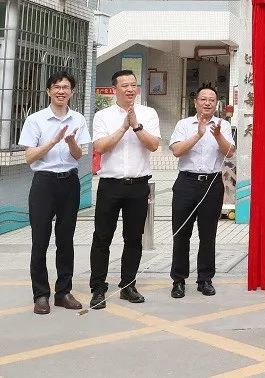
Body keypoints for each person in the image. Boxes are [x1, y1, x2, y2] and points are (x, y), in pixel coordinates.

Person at [19, 72, 91, 314]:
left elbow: (78, 155)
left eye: (66, 87)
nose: (61, 91)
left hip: (69, 182)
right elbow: (29, 157)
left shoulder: (78, 119)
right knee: (40, 241)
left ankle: (63, 292)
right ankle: (40, 295)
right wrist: (52, 141)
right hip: (44, 184)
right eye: (57, 87)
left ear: (72, 92)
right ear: (49, 91)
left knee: (65, 240)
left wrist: (70, 141)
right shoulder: (36, 120)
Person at [89, 69, 161, 309]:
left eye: (133, 85)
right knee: (102, 238)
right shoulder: (103, 116)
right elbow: (100, 147)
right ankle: (98, 288)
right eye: (125, 85)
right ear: (114, 89)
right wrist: (123, 127)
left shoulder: (148, 113)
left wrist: (137, 126)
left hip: (138, 186)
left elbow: (153, 145)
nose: (130, 89)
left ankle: (128, 285)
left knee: (133, 238)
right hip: (110, 185)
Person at [168, 83, 234, 298]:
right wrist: (198, 134)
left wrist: (217, 136)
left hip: (212, 184)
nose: (207, 103)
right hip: (186, 183)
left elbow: (230, 153)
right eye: (203, 99)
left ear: (216, 104)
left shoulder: (222, 125)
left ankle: (205, 279)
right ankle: (178, 280)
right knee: (181, 234)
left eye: (211, 100)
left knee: (208, 235)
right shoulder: (184, 124)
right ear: (195, 102)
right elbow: (177, 151)